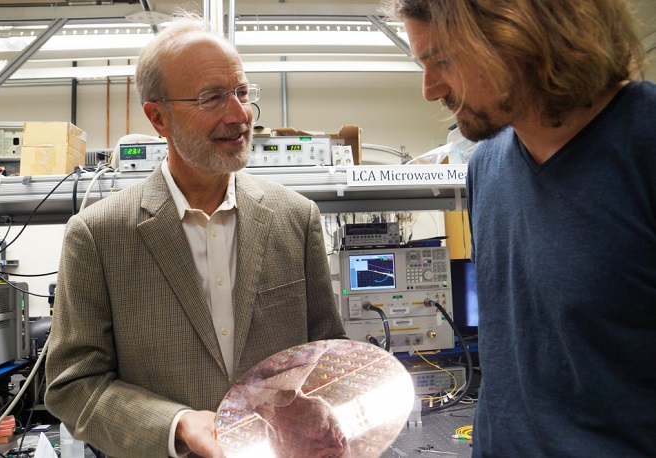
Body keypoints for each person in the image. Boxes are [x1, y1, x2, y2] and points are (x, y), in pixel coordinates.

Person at [44, 12, 346, 458]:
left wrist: (323, 407)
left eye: (242, 92)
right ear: (158, 118)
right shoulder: (97, 235)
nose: (239, 114)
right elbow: (74, 385)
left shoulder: (295, 217)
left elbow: (327, 353)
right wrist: (177, 424)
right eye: (212, 98)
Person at [384, 0, 656, 456]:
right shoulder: (486, 165)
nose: (430, 90)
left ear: (519, 34)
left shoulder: (642, 148)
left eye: (442, 60)